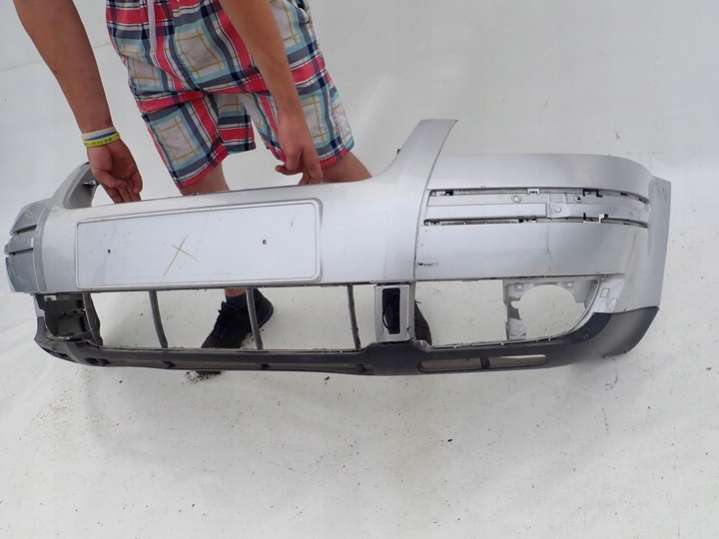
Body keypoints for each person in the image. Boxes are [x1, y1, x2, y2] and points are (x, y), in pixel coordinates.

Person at [13, 0, 431, 363]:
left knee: (327, 162)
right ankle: (243, 301)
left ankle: (393, 283)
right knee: (196, 185)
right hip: (144, 35)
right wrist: (98, 133)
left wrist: (288, 106)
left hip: (250, 16)